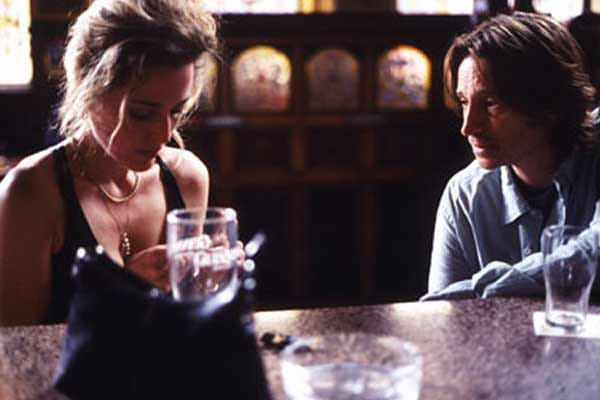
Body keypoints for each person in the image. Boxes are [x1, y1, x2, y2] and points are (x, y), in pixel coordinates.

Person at [0, 0, 219, 326]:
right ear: (89, 91)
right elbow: (15, 348)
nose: (164, 133)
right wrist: (119, 296)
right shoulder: (31, 194)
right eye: (141, 114)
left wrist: (214, 288)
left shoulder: (188, 177)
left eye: (176, 110)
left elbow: (182, 323)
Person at [423, 12, 599, 300]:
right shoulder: (465, 195)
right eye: (464, 102)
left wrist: (481, 289)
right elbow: (444, 316)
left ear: (548, 105)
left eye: (491, 103)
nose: (468, 126)